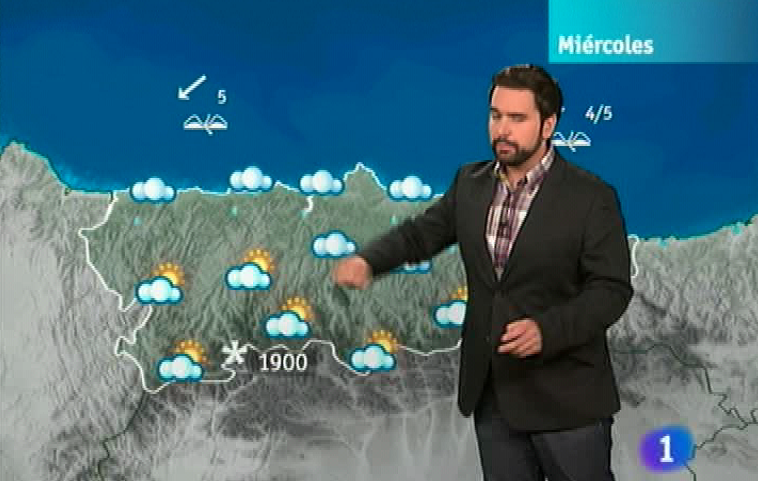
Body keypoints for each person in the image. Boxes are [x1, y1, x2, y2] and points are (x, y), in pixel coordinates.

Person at [332, 64, 633, 481]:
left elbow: (610, 290)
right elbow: (421, 234)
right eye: (496, 115)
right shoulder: (470, 184)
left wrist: (547, 330)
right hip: (495, 396)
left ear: (548, 125)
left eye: (517, 118)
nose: (502, 129)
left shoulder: (591, 198)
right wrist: (369, 260)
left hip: (568, 402)